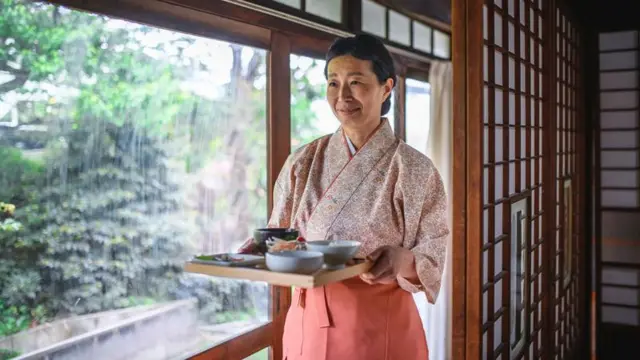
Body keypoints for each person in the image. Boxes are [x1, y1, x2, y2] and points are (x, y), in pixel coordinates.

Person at [243, 34, 448, 360]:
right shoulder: (303, 161)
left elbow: (432, 257)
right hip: (306, 321)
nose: (342, 96)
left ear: (386, 87)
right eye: (333, 83)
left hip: (377, 327)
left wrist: (402, 261)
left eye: (356, 82)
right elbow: (280, 236)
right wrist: (259, 249)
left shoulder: (414, 169)